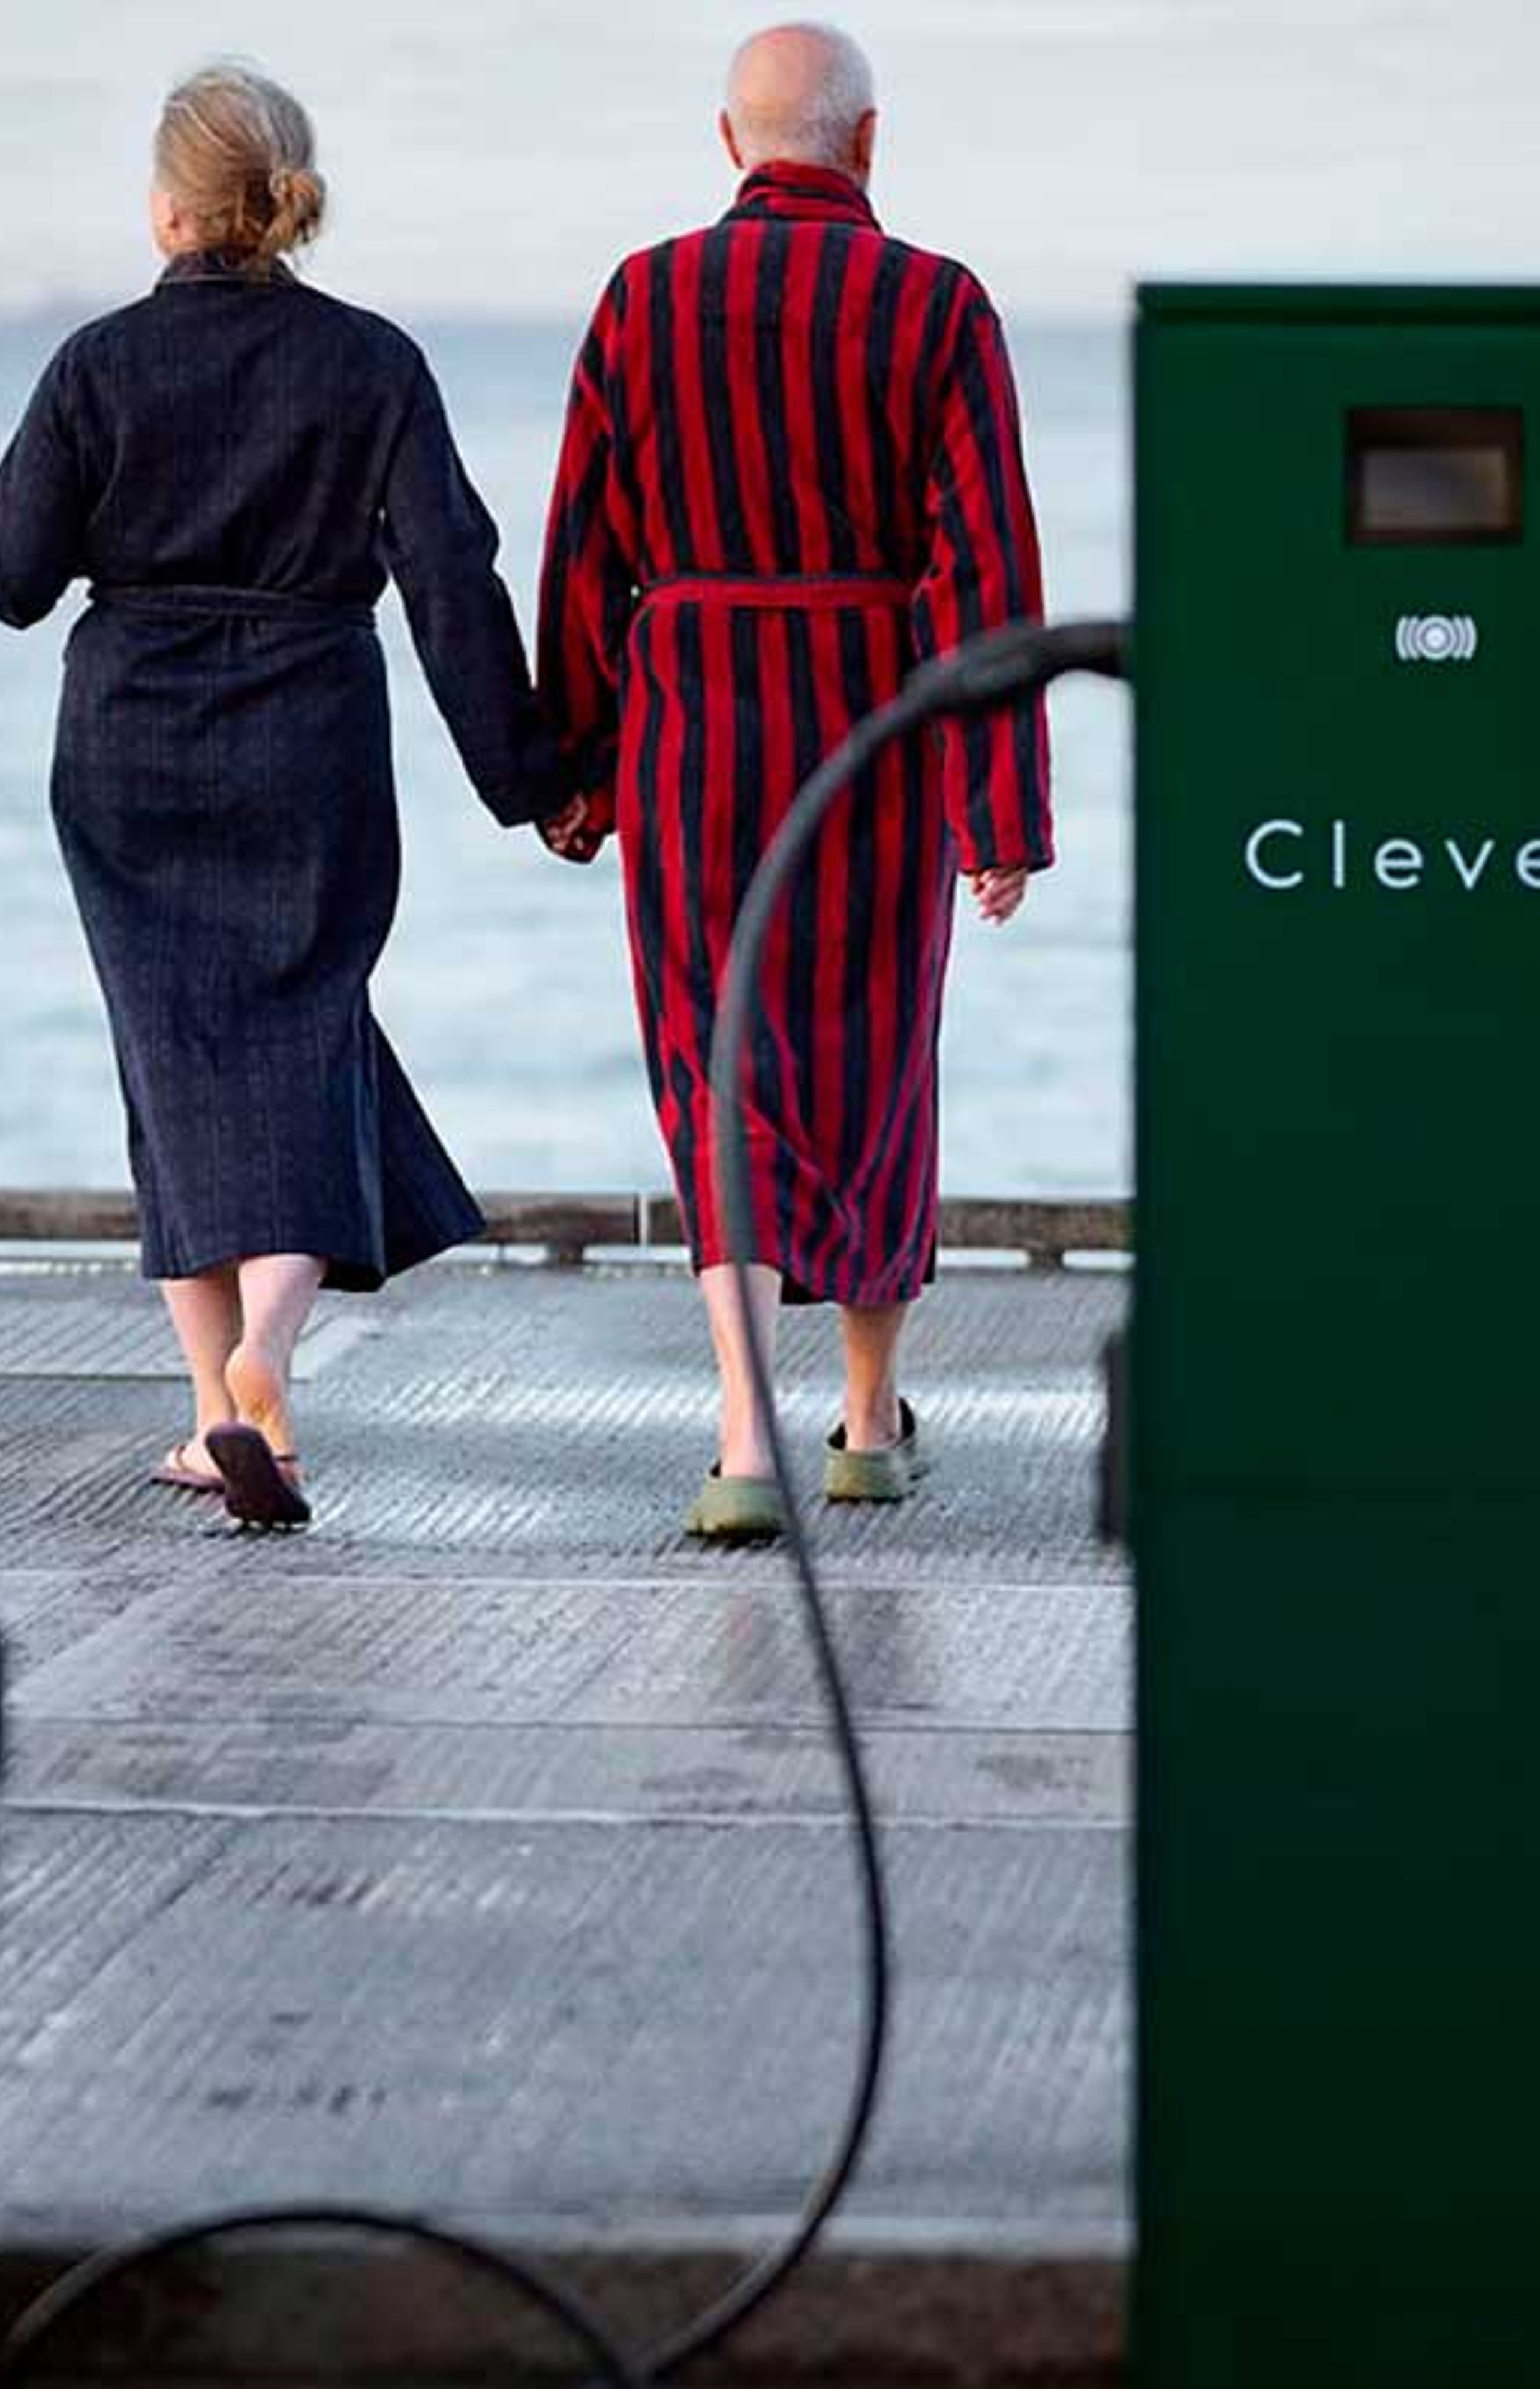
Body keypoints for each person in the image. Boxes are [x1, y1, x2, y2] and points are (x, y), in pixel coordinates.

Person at [0, 63, 565, 1529]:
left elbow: (8, 581)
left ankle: (217, 1410)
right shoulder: (372, 363)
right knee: (305, 1032)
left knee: (167, 1058)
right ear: (287, 204)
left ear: (170, 206)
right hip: (312, 727)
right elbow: (451, 582)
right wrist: (531, 780)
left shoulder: (97, 365)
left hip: (131, 743)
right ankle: (263, 1379)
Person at [536, 21, 1051, 1541]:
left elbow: (585, 549)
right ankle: (870, 1421)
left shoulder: (643, 298)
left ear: (728, 144)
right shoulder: (937, 304)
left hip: (691, 727)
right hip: (874, 731)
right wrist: (1000, 807)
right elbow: (986, 570)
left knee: (718, 1062)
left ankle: (746, 1432)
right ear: (869, 143)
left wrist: (576, 766)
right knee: (875, 1061)